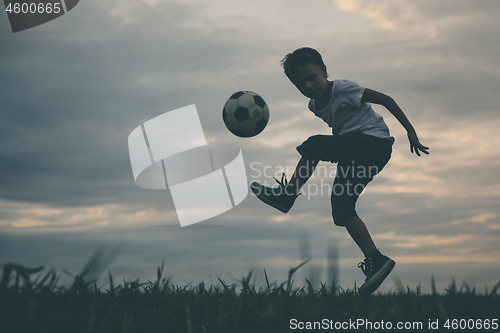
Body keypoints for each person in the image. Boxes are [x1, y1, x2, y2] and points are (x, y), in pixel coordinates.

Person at [250, 47, 429, 295]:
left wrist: (410, 130)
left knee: (314, 145)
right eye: (300, 83)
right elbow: (342, 130)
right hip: (355, 152)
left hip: (373, 143)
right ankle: (376, 259)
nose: (308, 85)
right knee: (342, 208)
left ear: (324, 70)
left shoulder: (344, 88)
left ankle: (287, 195)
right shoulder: (314, 106)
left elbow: (386, 100)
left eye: (312, 77)